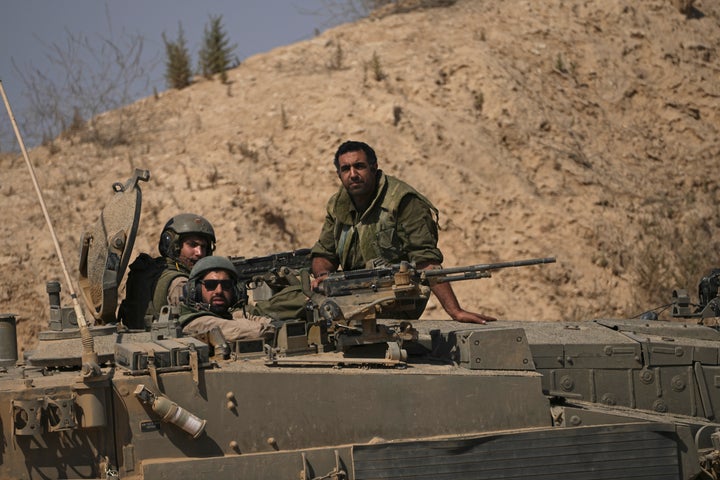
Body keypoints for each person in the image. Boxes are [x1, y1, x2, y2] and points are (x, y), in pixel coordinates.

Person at [310, 140, 496, 324]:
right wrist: (323, 277)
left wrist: (454, 311)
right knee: (291, 302)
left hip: (398, 298)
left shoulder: (403, 201)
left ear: (374, 168)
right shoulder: (338, 204)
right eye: (346, 169)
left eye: (359, 166)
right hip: (353, 292)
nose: (353, 174)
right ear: (338, 174)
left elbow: (426, 261)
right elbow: (324, 253)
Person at [118, 213, 216, 329]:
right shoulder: (180, 283)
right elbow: (198, 325)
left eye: (203, 247)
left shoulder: (151, 268)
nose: (199, 252)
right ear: (174, 245)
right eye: (192, 245)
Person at [180, 256, 274, 342]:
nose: (219, 291)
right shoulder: (196, 322)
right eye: (211, 285)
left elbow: (269, 322)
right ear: (195, 290)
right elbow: (259, 332)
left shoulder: (229, 315)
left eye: (226, 285)